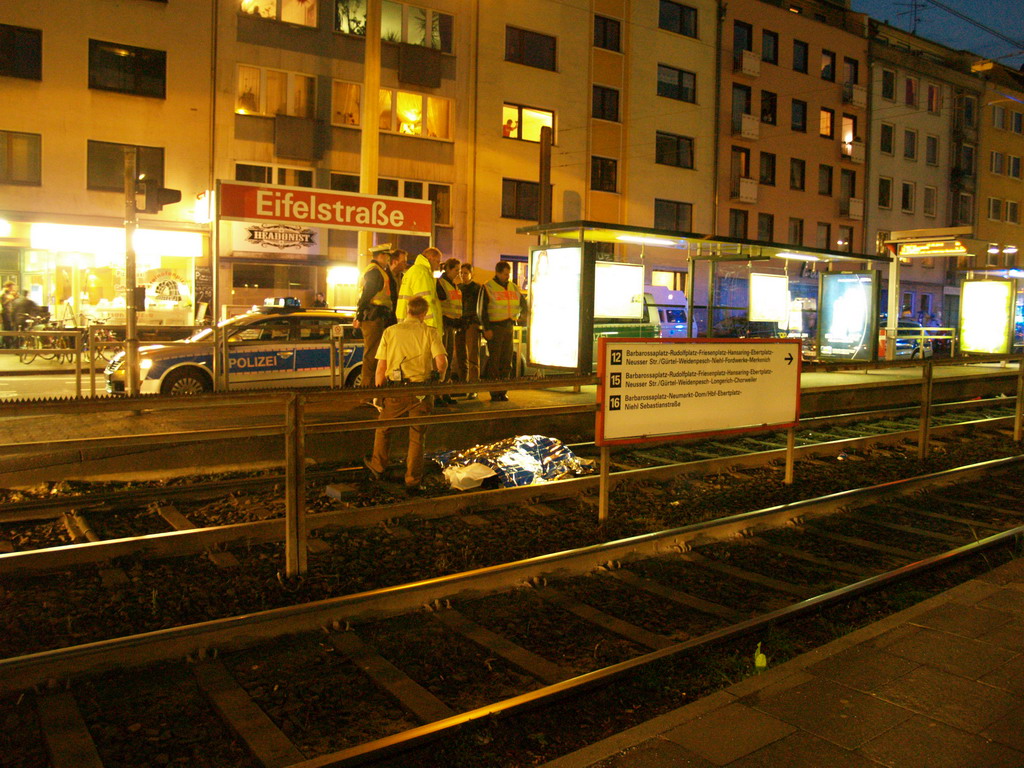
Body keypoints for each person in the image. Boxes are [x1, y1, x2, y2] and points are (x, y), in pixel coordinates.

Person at [364, 295, 447, 494]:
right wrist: (439, 379)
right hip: (421, 392)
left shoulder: (390, 332)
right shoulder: (430, 332)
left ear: (407, 311)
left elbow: (380, 367)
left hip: (396, 390)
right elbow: (441, 362)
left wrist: (378, 393)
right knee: (417, 436)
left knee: (384, 428)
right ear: (424, 314)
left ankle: (378, 466)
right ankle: (412, 480)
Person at [478, 261, 528, 402]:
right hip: (495, 328)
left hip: (508, 327)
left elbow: (523, 304)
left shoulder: (512, 287)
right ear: (498, 273)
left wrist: (523, 317)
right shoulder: (488, 287)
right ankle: (495, 392)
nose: (507, 276)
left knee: (507, 361)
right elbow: (481, 310)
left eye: (508, 274)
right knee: (495, 361)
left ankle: (503, 391)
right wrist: (486, 329)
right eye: (505, 274)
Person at [353, 245, 396, 388]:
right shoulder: (374, 272)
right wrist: (359, 314)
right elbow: (367, 295)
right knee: (372, 354)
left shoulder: (378, 271)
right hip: (373, 316)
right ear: (381, 256)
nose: (388, 260)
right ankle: (367, 391)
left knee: (375, 353)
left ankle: (373, 390)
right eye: (387, 257)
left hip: (377, 316)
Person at [436, 258, 463, 405]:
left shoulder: (454, 285)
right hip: (444, 324)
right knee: (442, 360)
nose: (458, 273)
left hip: (452, 325)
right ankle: (437, 394)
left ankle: (445, 391)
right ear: (448, 269)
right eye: (456, 270)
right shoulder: (440, 283)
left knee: (449, 359)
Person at [396, 247, 442, 330]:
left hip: (408, 324)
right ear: (430, 258)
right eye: (437, 261)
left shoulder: (414, 271)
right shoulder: (422, 273)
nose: (438, 265)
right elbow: (426, 301)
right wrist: (431, 328)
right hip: (419, 327)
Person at [458, 263, 481, 400]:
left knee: (472, 354)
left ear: (471, 274)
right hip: (460, 322)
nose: (463, 275)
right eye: (461, 273)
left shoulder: (477, 288)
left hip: (471, 322)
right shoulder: (458, 287)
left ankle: (473, 387)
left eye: (465, 273)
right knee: (460, 355)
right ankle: (462, 385)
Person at [1, 282, 17, 349]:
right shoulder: (3, 293)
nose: (13, 288)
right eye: (12, 287)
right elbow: (3, 304)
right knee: (7, 329)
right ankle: (7, 345)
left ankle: (8, 344)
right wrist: (9, 299)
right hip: (6, 314)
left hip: (9, 313)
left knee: (9, 328)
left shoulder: (9, 293)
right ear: (8, 287)